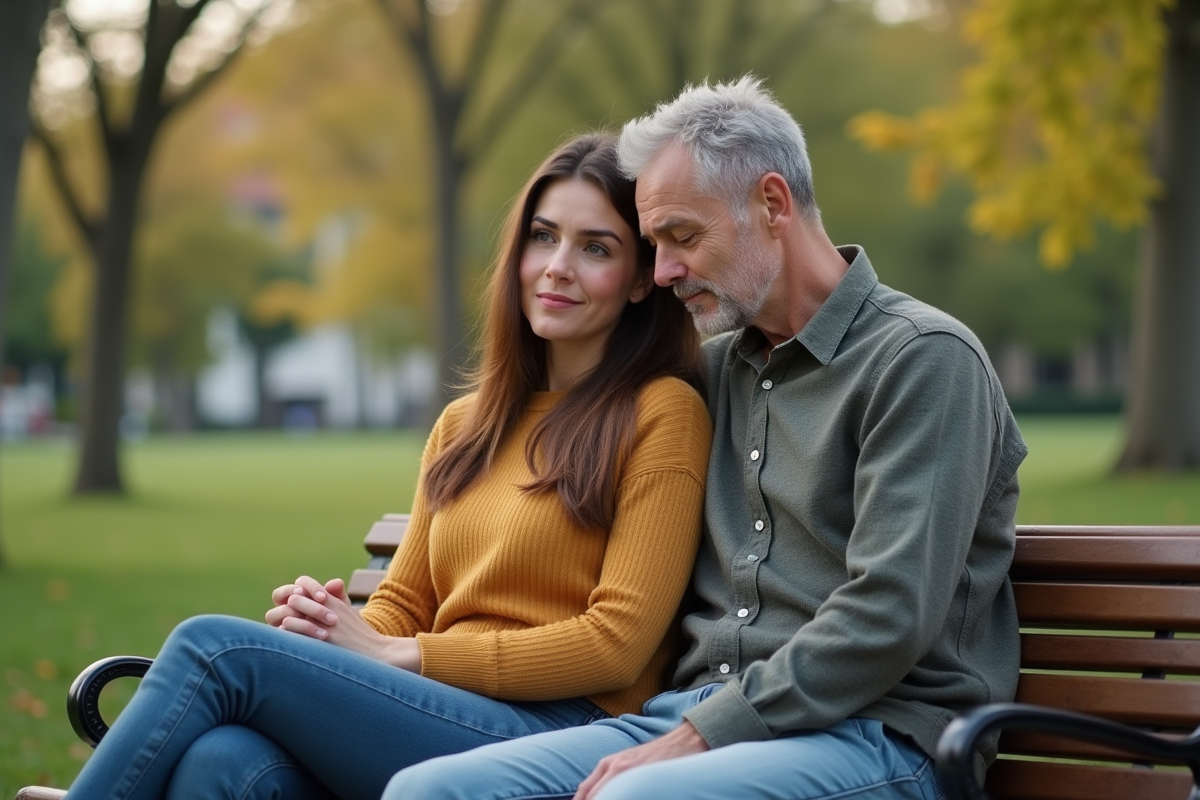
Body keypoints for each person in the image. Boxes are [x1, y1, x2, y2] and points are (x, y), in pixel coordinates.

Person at [382, 77, 1027, 800]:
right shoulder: (714, 370)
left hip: (879, 734)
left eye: (683, 238)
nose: (662, 273)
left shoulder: (922, 360)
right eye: (653, 245)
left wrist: (701, 736)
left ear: (773, 204)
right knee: (428, 792)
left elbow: (887, 616)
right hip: (685, 719)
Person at [64, 133, 712, 800]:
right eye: (543, 237)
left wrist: (401, 655)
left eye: (595, 247)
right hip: (438, 713)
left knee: (216, 650)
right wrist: (333, 632)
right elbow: (403, 603)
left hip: (562, 734)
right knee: (223, 761)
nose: (557, 266)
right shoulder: (467, 424)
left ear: (640, 279)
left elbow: (616, 646)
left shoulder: (662, 413)